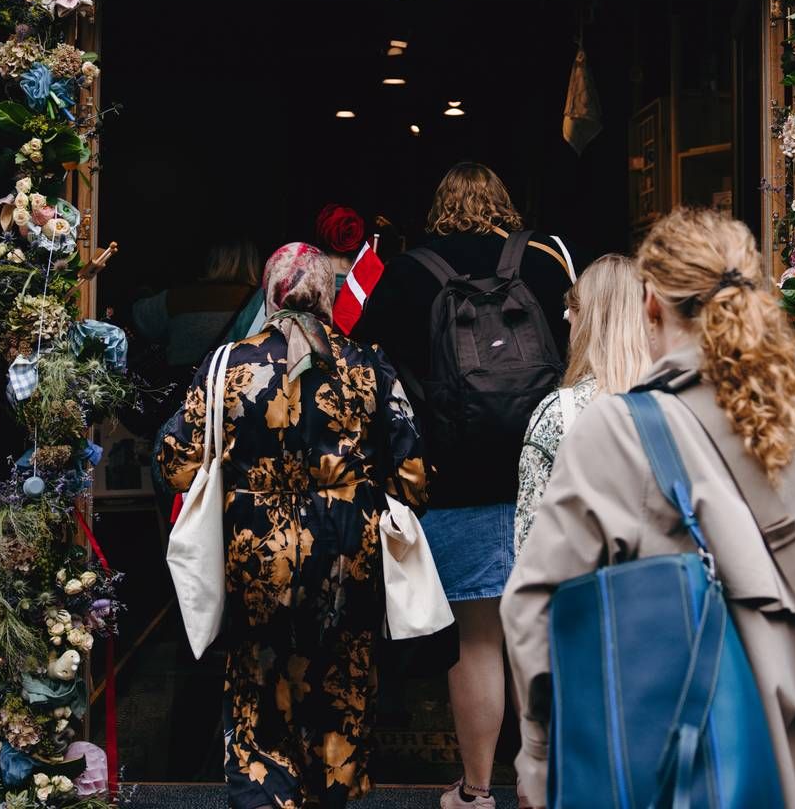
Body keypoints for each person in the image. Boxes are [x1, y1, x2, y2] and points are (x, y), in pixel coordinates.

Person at [501, 207, 795, 809]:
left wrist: (540, 759)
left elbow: (533, 609)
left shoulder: (614, 434)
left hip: (673, 773)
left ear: (651, 307)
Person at [156, 242, 429, 809]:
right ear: (328, 295)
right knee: (341, 685)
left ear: (269, 293)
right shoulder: (369, 363)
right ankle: (330, 791)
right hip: (347, 549)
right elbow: (413, 477)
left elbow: (177, 462)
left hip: (256, 550)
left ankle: (267, 793)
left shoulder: (227, 363)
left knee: (258, 682)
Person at [354, 161, 576, 809]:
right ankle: (545, 787)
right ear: (503, 204)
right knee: (543, 632)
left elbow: (368, 365)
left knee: (477, 640)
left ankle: (476, 791)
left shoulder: (408, 273)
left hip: (455, 479)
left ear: (439, 207)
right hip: (547, 472)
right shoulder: (546, 264)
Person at [514, 254, 651, 554]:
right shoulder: (682, 403)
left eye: (569, 316)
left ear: (584, 321)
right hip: (673, 591)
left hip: (588, 594)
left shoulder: (557, 416)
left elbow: (531, 549)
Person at [133, 239, 260, 372]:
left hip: (179, 385)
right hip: (232, 386)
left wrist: (142, 293)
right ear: (253, 263)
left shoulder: (179, 296)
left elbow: (141, 321)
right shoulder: (259, 302)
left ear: (212, 260)